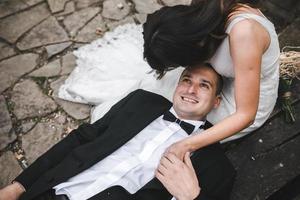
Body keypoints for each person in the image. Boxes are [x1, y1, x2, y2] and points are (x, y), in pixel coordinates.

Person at [0, 64, 236, 200]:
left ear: (216, 102)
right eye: (186, 80)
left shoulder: (216, 163)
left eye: (203, 85)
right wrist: (20, 185)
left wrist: (192, 197)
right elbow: (81, 138)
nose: (191, 89)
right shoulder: (141, 102)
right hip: (51, 193)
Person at [143, 0, 280, 160]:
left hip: (243, 101)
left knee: (179, 128)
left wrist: (187, 144)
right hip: (216, 75)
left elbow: (246, 115)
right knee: (155, 93)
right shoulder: (199, 18)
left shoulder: (243, 33)